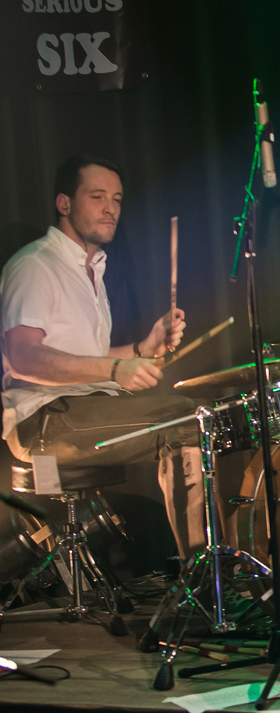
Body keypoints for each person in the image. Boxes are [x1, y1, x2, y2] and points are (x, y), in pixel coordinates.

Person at [0, 154, 204, 558]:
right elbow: (23, 357)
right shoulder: (36, 266)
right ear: (64, 203)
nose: (110, 208)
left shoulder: (91, 269)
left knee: (201, 415)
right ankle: (201, 574)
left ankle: (207, 565)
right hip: (42, 422)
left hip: (77, 408)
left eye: (117, 199)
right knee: (185, 420)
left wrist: (143, 347)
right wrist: (114, 369)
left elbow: (82, 357)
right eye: (97, 197)